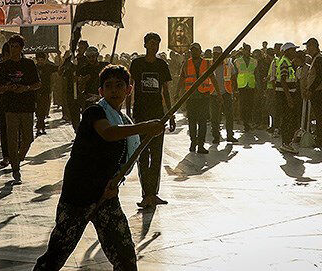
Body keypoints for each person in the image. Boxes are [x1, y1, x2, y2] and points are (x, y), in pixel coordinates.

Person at [34, 65, 164, 270]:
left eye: (119, 85)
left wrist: (116, 182)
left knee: (125, 255)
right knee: (56, 256)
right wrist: (146, 127)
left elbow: (121, 160)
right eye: (109, 86)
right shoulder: (94, 112)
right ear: (101, 91)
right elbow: (109, 133)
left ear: (129, 89)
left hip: (106, 195)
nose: (114, 90)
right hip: (79, 195)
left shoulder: (124, 120)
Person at [129, 32, 176, 209]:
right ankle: (145, 193)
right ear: (145, 45)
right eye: (150, 43)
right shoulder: (137, 64)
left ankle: (153, 193)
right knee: (142, 154)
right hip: (140, 114)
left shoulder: (162, 65)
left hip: (158, 115)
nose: (153, 46)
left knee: (156, 155)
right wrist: (127, 112)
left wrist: (170, 114)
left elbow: (166, 91)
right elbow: (130, 88)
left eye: (156, 43)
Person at [0, 34, 41, 183]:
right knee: (12, 139)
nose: (14, 49)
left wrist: (25, 88)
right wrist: (8, 87)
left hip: (27, 106)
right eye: (11, 46)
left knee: (28, 138)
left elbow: (37, 84)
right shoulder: (2, 66)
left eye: (16, 46)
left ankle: (18, 159)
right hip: (10, 106)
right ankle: (15, 169)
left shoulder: (29, 64)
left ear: (21, 48)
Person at [177, 43, 219, 153]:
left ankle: (200, 144)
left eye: (196, 50)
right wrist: (177, 92)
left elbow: (213, 78)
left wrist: (218, 93)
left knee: (202, 122)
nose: (194, 52)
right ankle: (193, 141)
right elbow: (181, 78)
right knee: (192, 121)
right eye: (192, 50)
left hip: (203, 96)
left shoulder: (207, 63)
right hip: (191, 97)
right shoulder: (187, 63)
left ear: (200, 51)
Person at [303, 38, 322, 148]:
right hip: (317, 91)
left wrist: (310, 90)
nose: (307, 49)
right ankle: (319, 137)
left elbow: (318, 77)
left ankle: (321, 138)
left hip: (319, 91)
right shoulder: (316, 58)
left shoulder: (319, 59)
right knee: (318, 115)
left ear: (314, 46)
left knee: (319, 116)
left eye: (308, 46)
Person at [277, 43, 300, 154]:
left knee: (288, 118)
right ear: (287, 51)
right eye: (293, 50)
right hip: (285, 95)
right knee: (287, 119)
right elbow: (283, 81)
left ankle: (286, 142)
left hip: (287, 94)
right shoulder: (285, 63)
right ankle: (286, 143)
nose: (295, 52)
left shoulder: (288, 62)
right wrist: (289, 98)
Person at [212, 45, 237, 143]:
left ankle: (230, 135)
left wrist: (235, 91)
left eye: (218, 54)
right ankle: (216, 137)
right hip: (213, 93)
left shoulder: (228, 63)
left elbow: (233, 77)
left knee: (229, 115)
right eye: (215, 54)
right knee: (215, 117)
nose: (216, 56)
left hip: (226, 92)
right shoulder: (210, 64)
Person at [233, 44, 257, 133]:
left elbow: (256, 74)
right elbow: (234, 75)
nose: (248, 51)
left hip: (251, 85)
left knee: (250, 105)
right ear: (243, 51)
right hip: (241, 86)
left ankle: (248, 122)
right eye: (246, 50)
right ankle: (245, 123)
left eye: (249, 50)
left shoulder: (254, 61)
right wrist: (234, 88)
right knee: (243, 105)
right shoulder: (237, 61)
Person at [35, 52, 58, 136]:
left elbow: (59, 68)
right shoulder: (34, 68)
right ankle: (40, 126)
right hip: (36, 92)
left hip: (46, 92)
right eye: (39, 60)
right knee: (38, 111)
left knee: (43, 110)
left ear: (45, 60)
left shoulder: (49, 67)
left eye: (42, 60)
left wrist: (59, 56)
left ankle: (40, 126)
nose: (40, 61)